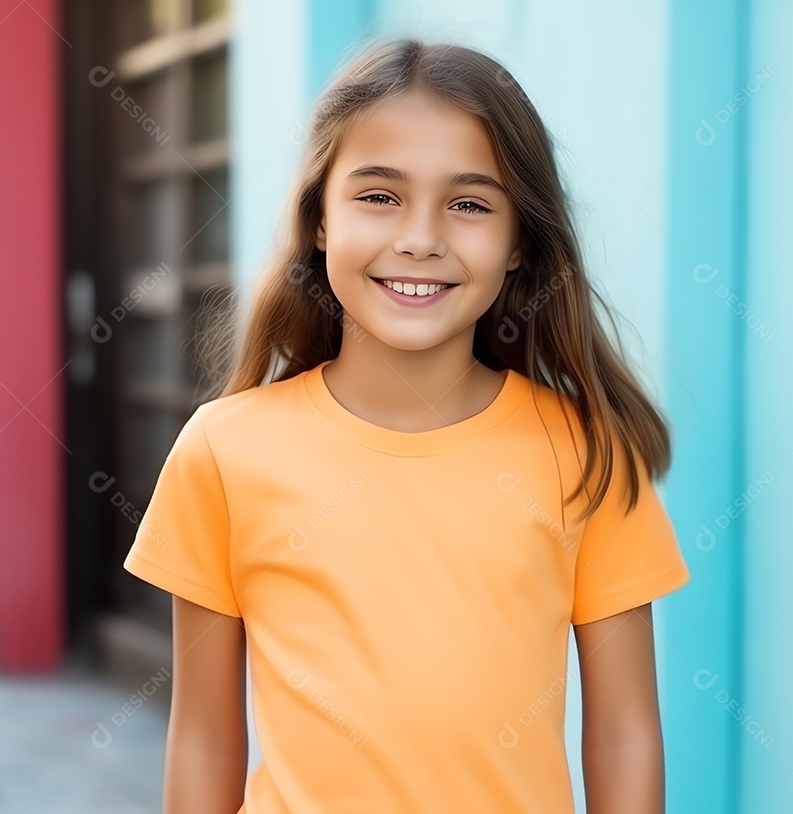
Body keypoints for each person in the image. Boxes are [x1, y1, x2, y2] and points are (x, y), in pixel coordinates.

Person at [123, 36, 691, 814]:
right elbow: (203, 740)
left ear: (519, 243)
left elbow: (626, 733)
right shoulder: (223, 452)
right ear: (319, 220)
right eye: (379, 195)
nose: (420, 238)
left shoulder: (587, 456)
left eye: (468, 204)